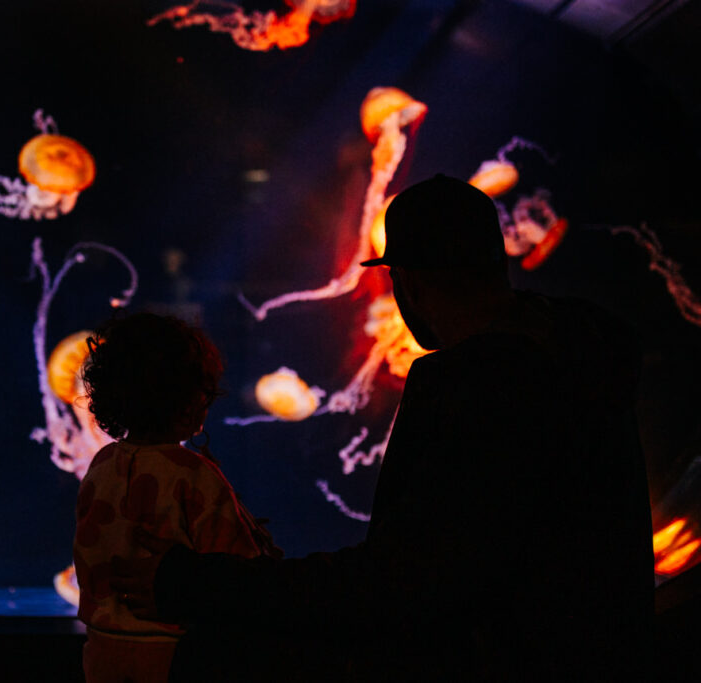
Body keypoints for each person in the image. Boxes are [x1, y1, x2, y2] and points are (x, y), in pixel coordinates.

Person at [113, 175, 655, 681]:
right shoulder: (577, 350)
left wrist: (195, 583)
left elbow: (399, 585)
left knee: (214, 658)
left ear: (408, 284)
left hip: (503, 661)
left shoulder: (480, 384)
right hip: (600, 655)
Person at [74, 312, 280, 683]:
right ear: (191, 399)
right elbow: (238, 565)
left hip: (102, 646)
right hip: (174, 652)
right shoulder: (193, 473)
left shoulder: (102, 464)